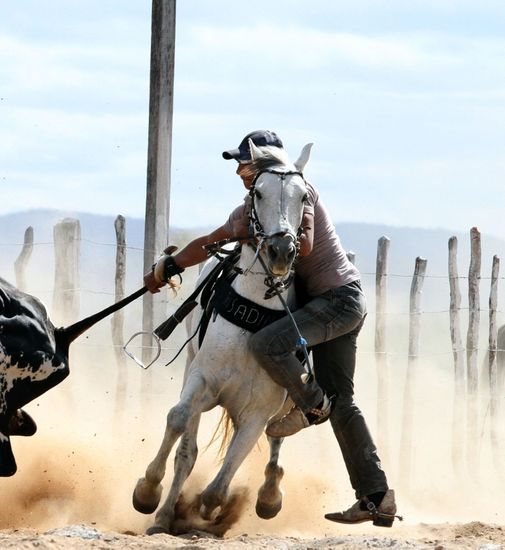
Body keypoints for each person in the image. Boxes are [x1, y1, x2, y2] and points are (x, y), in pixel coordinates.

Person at [144, 130, 397, 526]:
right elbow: (211, 241)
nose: (240, 171)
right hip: (328, 305)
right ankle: (376, 497)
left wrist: (258, 235)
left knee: (267, 344)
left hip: (338, 301)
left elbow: (304, 248)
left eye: (245, 162)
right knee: (343, 403)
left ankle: (306, 407)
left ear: (265, 164)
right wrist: (170, 267)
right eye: (239, 165)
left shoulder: (300, 192)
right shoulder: (254, 206)